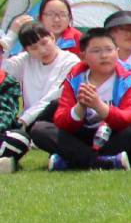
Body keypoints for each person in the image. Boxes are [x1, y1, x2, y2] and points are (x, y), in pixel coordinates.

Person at [29, 28, 131, 170]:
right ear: (83, 56)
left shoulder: (130, 79)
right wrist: (80, 107)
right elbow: (62, 121)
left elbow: (128, 119)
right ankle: (103, 162)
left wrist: (99, 106)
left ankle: (73, 159)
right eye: (96, 51)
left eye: (109, 49)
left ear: (117, 52)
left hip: (113, 136)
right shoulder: (75, 77)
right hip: (82, 135)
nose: (104, 55)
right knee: (40, 129)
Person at [1, 22, 80, 170]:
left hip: (52, 116)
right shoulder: (25, 60)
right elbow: (2, 68)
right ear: (27, 50)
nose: (42, 50)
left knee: (56, 103)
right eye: (34, 48)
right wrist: (10, 36)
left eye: (44, 43)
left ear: (52, 37)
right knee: (14, 136)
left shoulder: (71, 61)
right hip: (27, 121)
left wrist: (25, 120)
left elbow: (53, 95)